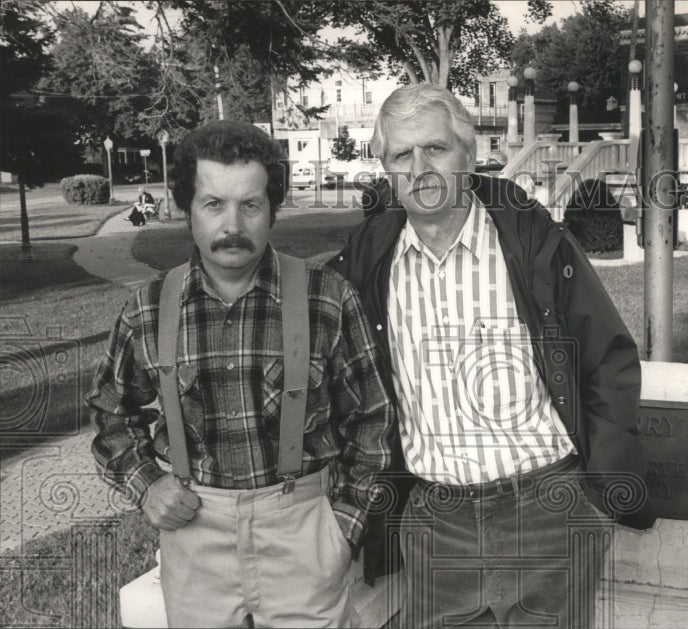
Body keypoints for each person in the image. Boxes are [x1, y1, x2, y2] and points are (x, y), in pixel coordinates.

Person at [328, 84, 654, 629]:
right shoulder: (368, 262)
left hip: (549, 511)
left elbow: (607, 358)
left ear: (469, 153)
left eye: (435, 148)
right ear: (386, 169)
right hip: (435, 523)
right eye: (402, 155)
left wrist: (597, 487)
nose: (420, 169)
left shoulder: (532, 243)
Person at [88, 120, 394, 628]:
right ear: (186, 209)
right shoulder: (149, 308)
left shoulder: (326, 297)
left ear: (273, 208)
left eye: (250, 204)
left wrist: (343, 527)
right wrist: (146, 484)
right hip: (195, 532)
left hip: (303, 531)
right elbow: (109, 410)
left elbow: (373, 419)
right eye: (214, 204)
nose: (233, 224)